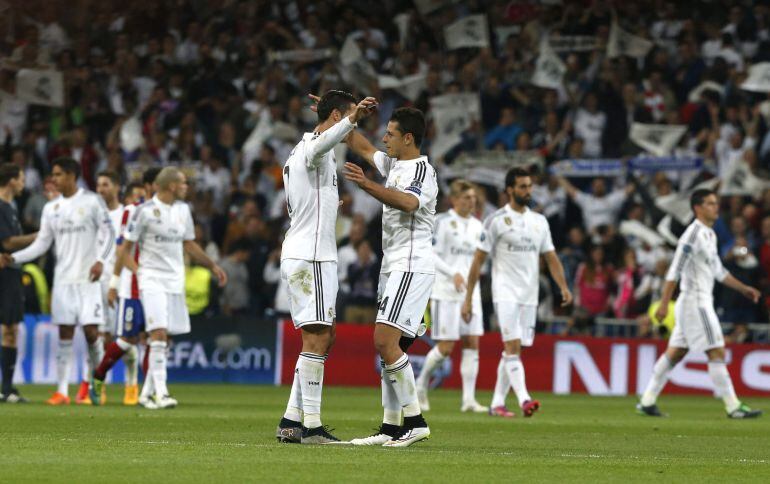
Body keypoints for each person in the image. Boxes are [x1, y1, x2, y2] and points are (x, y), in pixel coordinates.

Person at [275, 90, 377, 444]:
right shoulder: (313, 149)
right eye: (346, 120)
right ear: (336, 118)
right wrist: (353, 118)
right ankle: (313, 426)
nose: (350, 129)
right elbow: (325, 142)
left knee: (325, 335)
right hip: (311, 257)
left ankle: (291, 420)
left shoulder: (307, 153)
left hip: (311, 255)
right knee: (317, 336)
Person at [344, 107, 436, 447]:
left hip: (411, 264)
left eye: (391, 134)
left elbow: (409, 204)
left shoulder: (422, 171)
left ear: (408, 138)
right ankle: (390, 427)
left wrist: (366, 184)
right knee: (391, 349)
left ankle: (415, 421)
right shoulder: (395, 165)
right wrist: (340, 114)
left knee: (384, 341)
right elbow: (362, 146)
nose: (384, 139)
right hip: (393, 266)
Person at [638, 189, 762, 419]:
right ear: (698, 208)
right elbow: (673, 271)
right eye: (711, 203)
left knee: (674, 353)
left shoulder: (709, 235)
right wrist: (664, 304)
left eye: (716, 203)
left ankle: (647, 401)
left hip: (698, 301)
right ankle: (733, 407)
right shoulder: (692, 235)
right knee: (716, 350)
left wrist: (744, 288)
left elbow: (719, 271)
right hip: (696, 301)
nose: (716, 207)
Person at [462, 167, 573, 418]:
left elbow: (551, 258)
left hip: (529, 295)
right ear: (510, 190)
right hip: (505, 292)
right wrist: (468, 298)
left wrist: (563, 286)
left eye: (529, 186)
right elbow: (478, 262)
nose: (528, 191)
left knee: (515, 350)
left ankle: (497, 403)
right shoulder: (496, 220)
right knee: (511, 346)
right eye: (522, 186)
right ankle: (524, 399)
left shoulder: (539, 221)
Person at [3, 157, 114, 405]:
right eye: (53, 174)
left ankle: (97, 384)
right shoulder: (51, 209)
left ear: (72, 175)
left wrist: (101, 261)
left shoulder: (92, 201)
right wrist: (14, 258)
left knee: (92, 333)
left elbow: (109, 234)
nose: (53, 179)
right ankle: (62, 391)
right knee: (64, 333)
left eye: (58, 174)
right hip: (63, 281)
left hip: (88, 280)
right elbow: (42, 243)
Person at [120, 167, 227, 409]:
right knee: (157, 333)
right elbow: (125, 252)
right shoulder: (143, 212)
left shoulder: (183, 210)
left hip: (174, 280)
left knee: (165, 339)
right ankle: (162, 393)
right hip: (152, 280)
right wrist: (141, 273)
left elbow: (189, 244)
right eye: (182, 183)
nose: (186, 186)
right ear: (170, 185)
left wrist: (212, 265)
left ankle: (146, 394)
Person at [415, 179, 487, 414]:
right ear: (455, 199)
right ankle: (420, 385)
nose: (471, 202)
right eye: (467, 198)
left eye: (474, 198)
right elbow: (430, 254)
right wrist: (452, 273)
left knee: (472, 342)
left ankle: (468, 399)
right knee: (446, 347)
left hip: (470, 292)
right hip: (446, 291)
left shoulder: (478, 226)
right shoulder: (442, 222)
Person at [91, 179, 149, 406]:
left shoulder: (154, 213)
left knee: (155, 339)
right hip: (132, 288)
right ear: (127, 198)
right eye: (136, 196)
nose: (139, 201)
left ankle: (149, 390)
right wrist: (115, 284)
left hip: (154, 287)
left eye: (143, 196)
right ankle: (99, 374)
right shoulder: (130, 213)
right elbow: (120, 251)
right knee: (127, 339)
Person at [0, 163, 36, 403]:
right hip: (5, 275)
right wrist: (40, 236)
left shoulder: (10, 207)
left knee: (11, 329)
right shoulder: (2, 207)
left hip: (11, 272)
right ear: (12, 180)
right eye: (21, 178)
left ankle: (7, 388)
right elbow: (9, 243)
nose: (24, 183)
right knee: (9, 329)